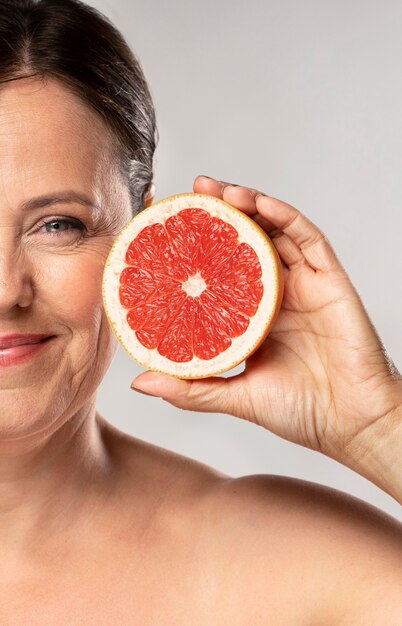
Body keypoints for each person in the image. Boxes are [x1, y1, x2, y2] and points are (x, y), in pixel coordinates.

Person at [0, 0, 400, 623]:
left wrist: (380, 427)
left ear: (140, 237)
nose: (6, 290)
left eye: (58, 224)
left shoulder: (281, 571)